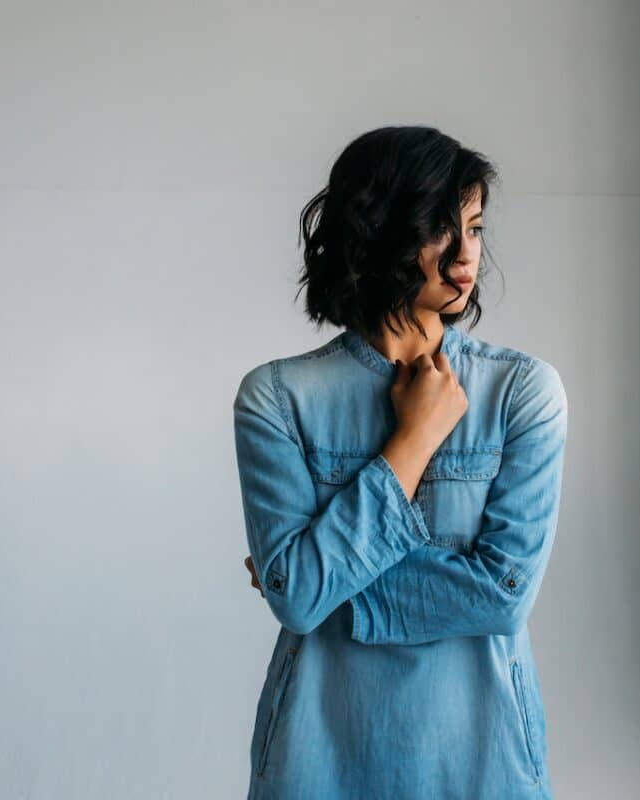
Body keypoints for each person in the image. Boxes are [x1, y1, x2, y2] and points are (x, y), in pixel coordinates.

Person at [232, 125, 568, 799]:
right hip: (319, 756)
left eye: (475, 227)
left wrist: (315, 588)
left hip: (483, 758)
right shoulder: (276, 399)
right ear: (377, 228)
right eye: (440, 227)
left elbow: (504, 596)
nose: (466, 252)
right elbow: (299, 595)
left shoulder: (522, 393)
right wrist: (413, 440)